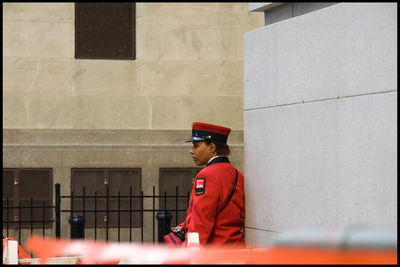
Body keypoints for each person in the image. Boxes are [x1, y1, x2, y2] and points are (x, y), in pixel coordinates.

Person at [172, 122, 245, 246]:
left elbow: (201, 221)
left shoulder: (207, 174)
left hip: (213, 253)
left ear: (212, 147)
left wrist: (188, 253)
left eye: (196, 146)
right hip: (234, 249)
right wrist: (185, 225)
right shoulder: (236, 173)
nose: (191, 151)